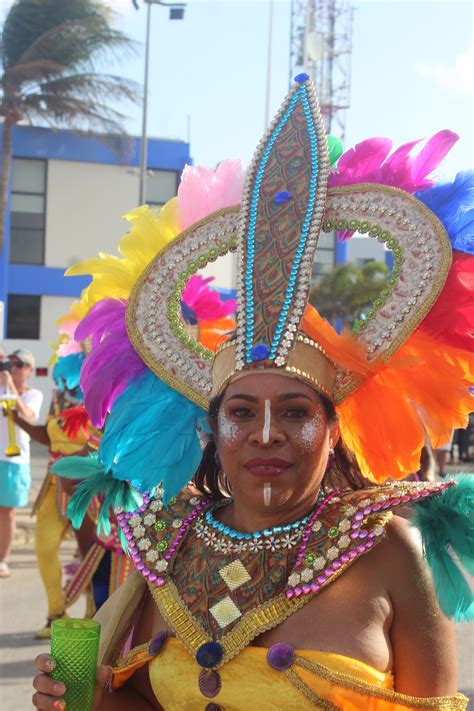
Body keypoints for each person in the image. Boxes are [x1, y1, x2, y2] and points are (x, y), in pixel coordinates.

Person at [32, 76, 473, 709]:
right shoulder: (167, 546)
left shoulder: (386, 549)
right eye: (242, 412)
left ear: (334, 429)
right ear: (210, 431)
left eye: (296, 412)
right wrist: (82, 700)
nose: (267, 433)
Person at [0, 349, 43, 578]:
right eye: (11, 362)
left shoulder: (33, 394)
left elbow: (27, 415)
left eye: (19, 364)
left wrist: (11, 388)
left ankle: (2, 559)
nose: (13, 367)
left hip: (13, 461)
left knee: (6, 513)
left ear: (30, 370)